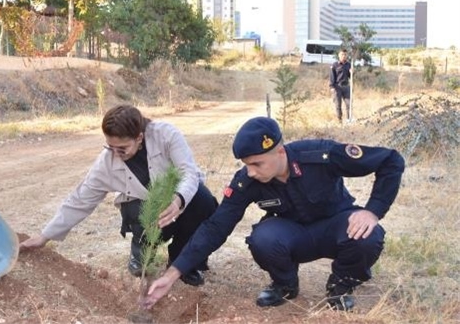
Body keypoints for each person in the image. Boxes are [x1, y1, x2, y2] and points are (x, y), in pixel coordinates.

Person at [144, 116, 405, 311]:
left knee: (368, 236)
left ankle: (341, 286)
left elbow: (390, 161)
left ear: (279, 151)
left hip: (336, 226)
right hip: (292, 235)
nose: (251, 171)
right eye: (246, 165)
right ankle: (285, 285)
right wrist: (173, 274)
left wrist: (373, 211)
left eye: (257, 163)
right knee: (263, 239)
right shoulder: (247, 182)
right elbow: (216, 227)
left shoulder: (320, 154)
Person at [20, 104, 218, 286]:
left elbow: (189, 172)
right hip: (143, 212)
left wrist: (178, 200)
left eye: (122, 148)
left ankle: (181, 264)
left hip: (176, 202)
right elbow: (79, 201)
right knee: (138, 210)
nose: (115, 154)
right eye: (110, 147)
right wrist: (45, 236)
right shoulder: (106, 163)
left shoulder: (166, 135)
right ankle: (141, 252)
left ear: (139, 137)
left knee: (203, 201)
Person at [330, 49, 352, 123]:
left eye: (345, 54)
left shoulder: (348, 64)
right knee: (338, 105)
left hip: (346, 87)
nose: (344, 56)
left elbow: (350, 77)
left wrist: (351, 72)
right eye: (342, 54)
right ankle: (340, 120)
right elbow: (332, 77)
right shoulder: (335, 65)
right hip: (337, 87)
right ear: (339, 55)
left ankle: (349, 119)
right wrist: (332, 87)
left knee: (349, 104)